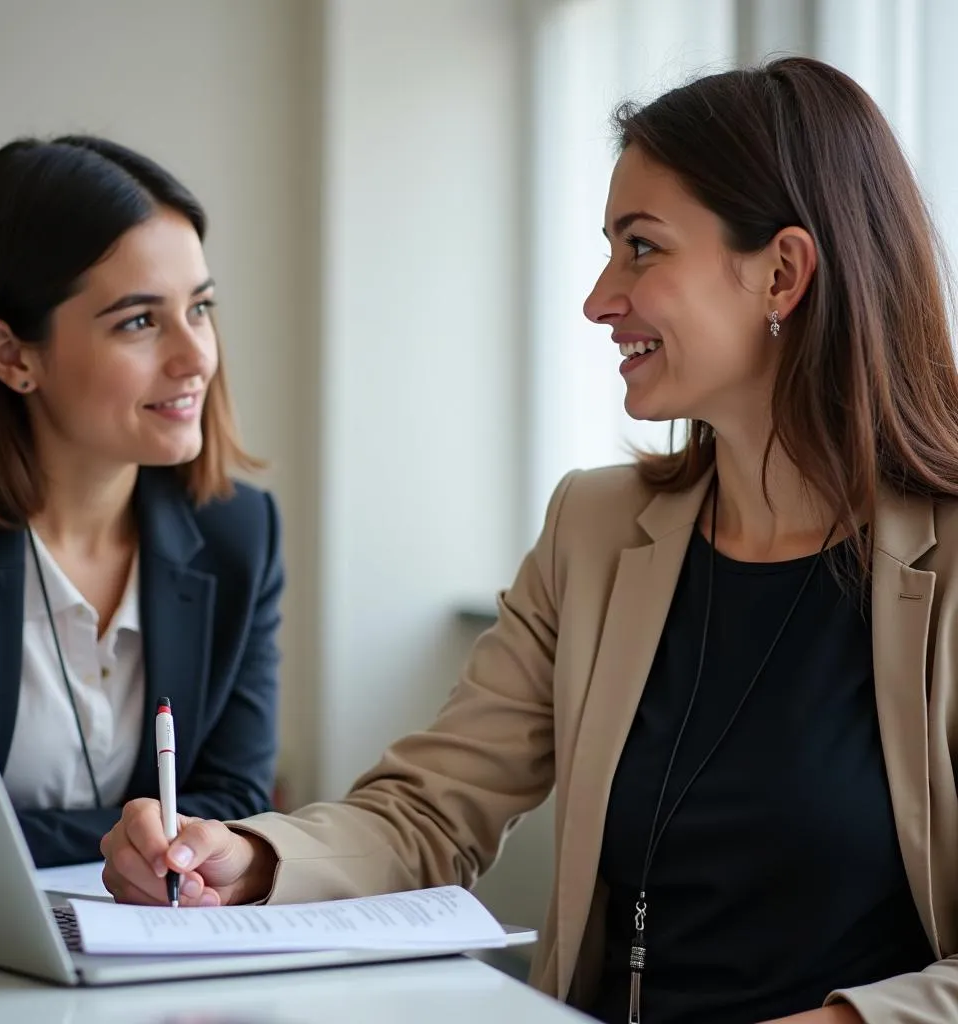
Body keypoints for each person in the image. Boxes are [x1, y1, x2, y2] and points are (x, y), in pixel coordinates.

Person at [101, 56, 958, 1024]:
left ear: (781, 271)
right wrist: (250, 857)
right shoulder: (594, 529)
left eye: (641, 248)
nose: (598, 298)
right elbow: (432, 809)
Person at [0, 136, 284, 868]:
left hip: (156, 960)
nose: (196, 359)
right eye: (139, 321)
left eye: (201, 308)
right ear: (12, 356)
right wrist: (118, 843)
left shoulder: (239, 533)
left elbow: (233, 804)